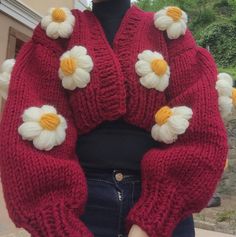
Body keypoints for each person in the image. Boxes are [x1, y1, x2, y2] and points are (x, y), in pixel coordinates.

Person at [0, 0, 228, 237]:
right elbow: (27, 134)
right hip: (81, 210)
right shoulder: (55, 33)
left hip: (165, 210)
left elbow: (200, 126)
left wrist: (157, 215)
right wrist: (58, 225)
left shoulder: (170, 32)